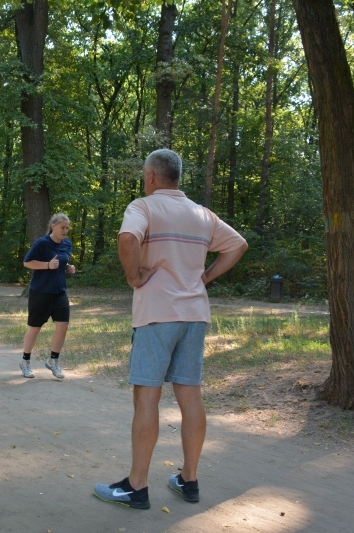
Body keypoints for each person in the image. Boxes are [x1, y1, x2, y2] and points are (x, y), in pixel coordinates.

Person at [94, 149, 247, 510]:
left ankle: (137, 486)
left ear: (150, 176)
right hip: (195, 315)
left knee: (147, 397)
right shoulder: (202, 213)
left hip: (157, 314)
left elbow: (128, 238)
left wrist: (134, 276)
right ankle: (189, 480)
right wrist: (204, 277)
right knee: (189, 395)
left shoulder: (144, 207)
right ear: (176, 177)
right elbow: (237, 245)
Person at [19, 213, 76, 379]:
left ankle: (53, 361)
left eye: (67, 228)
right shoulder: (42, 243)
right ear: (53, 226)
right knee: (35, 328)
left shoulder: (67, 244)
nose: (65, 230)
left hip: (59, 292)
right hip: (40, 292)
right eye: (62, 227)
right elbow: (27, 262)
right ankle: (25, 361)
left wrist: (67, 267)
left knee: (63, 325)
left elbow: (61, 261)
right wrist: (48, 265)